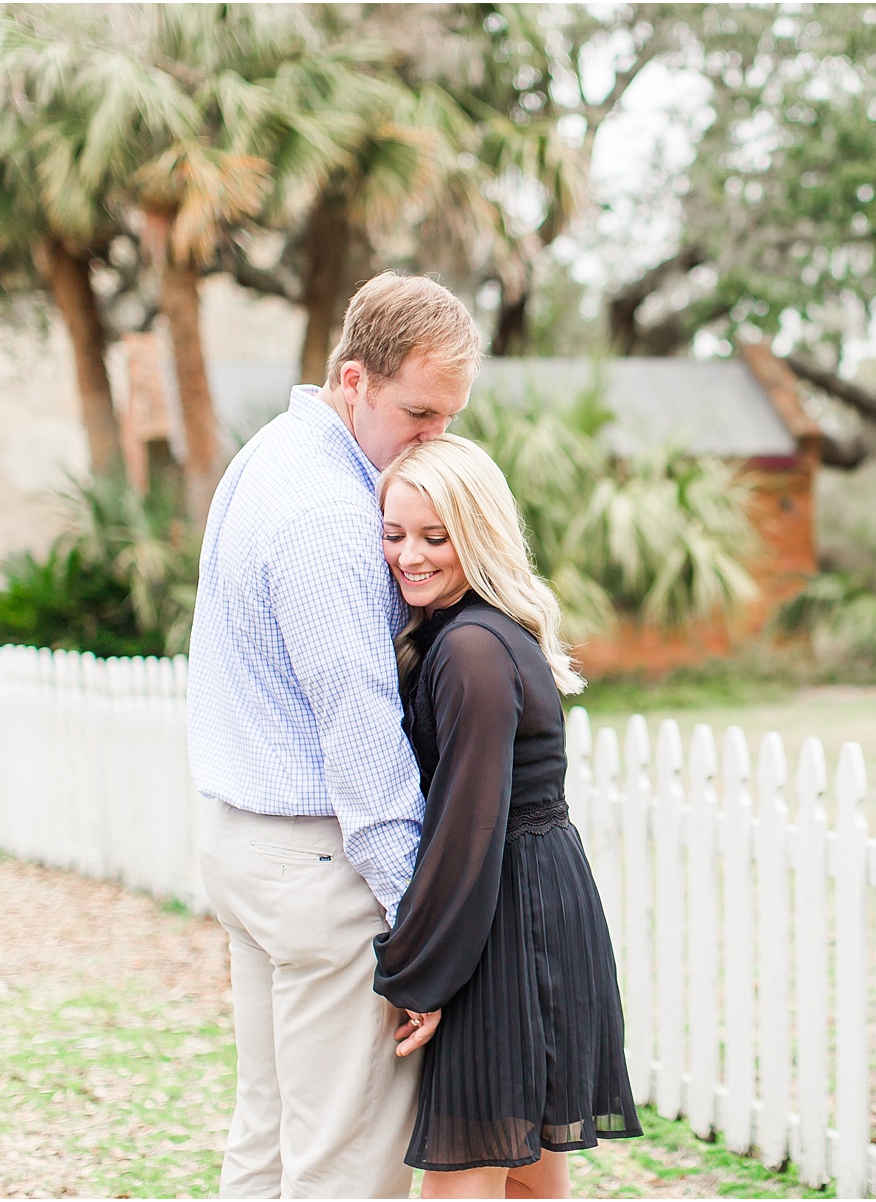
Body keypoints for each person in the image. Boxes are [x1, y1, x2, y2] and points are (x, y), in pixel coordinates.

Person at [187, 273, 479, 1198]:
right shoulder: (326, 517)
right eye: (420, 413)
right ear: (354, 379)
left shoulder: (270, 454)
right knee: (345, 1168)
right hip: (322, 866)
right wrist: (420, 931)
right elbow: (360, 736)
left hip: (246, 845)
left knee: (270, 1142)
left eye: (450, 418)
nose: (438, 439)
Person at [372, 434, 641, 1199]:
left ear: (479, 533)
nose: (411, 557)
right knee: (527, 1178)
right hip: (533, 902)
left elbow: (468, 825)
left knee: (470, 1174)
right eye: (394, 535)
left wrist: (418, 973)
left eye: (435, 536)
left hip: (503, 921)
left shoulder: (471, 650)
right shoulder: (478, 631)